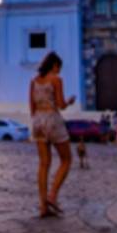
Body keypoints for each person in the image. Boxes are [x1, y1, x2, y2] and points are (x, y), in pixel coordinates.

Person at [29, 52, 75, 218]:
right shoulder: (56, 80)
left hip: (38, 121)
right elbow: (61, 105)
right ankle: (52, 196)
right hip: (53, 120)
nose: (59, 71)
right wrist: (69, 102)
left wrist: (36, 123)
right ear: (54, 65)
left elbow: (32, 106)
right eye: (59, 67)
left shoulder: (34, 81)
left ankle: (43, 206)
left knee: (43, 164)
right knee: (66, 159)